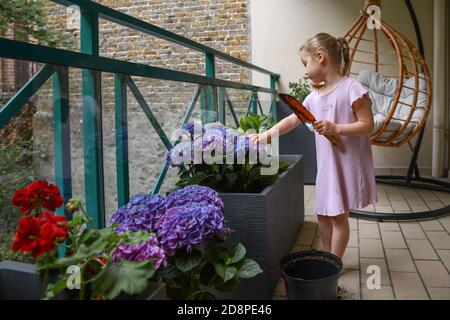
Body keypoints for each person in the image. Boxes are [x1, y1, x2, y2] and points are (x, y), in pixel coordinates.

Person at [250, 33, 377, 259]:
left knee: (338, 215)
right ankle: (326, 254)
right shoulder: (314, 97)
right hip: (327, 166)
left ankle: (333, 263)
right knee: (323, 214)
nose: (304, 70)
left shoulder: (352, 88)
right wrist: (268, 135)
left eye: (305, 63)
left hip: (346, 164)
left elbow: (367, 125)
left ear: (320, 57)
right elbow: (293, 119)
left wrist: (336, 128)